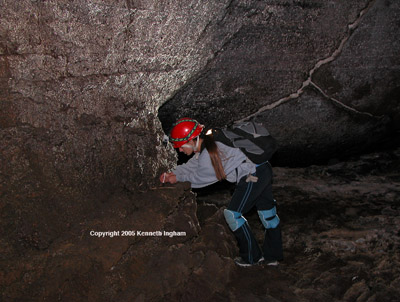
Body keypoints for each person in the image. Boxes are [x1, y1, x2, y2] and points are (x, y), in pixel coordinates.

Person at [160, 117, 283, 267]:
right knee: (268, 213)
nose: (180, 150)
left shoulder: (208, 154)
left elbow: (200, 178)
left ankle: (252, 258)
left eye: (181, 146)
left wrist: (177, 178)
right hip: (262, 169)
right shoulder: (209, 144)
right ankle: (273, 256)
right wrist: (172, 173)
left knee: (232, 214)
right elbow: (190, 167)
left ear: (192, 140)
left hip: (253, 175)